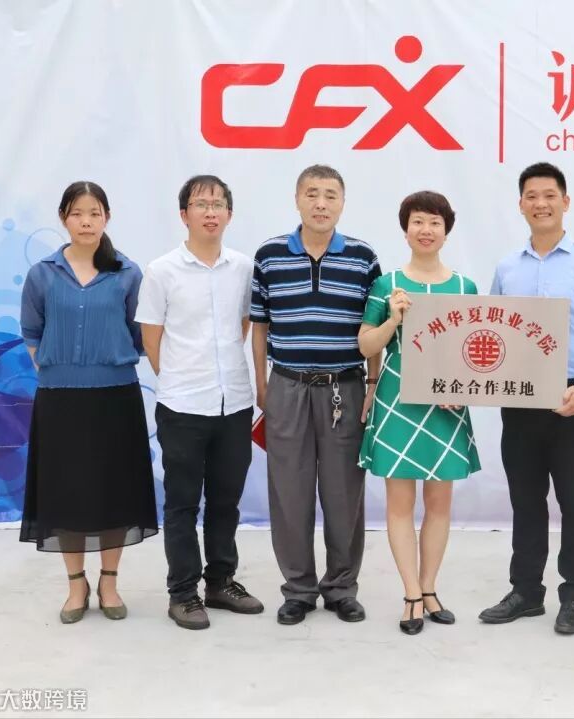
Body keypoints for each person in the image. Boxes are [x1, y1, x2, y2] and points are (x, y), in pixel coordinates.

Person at [479, 162, 574, 635]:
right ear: (521, 204)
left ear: (566, 202)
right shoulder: (506, 268)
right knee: (526, 501)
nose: (541, 203)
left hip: (571, 398)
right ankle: (526, 592)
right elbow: (491, 332)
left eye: (550, 195)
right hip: (519, 399)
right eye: (532, 196)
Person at [19, 181, 158, 623]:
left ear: (107, 218)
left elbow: (139, 335)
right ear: (64, 218)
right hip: (59, 401)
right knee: (67, 495)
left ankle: (110, 583)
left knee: (115, 492)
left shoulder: (127, 273)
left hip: (116, 398)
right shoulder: (42, 273)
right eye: (77, 213)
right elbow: (32, 333)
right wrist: (58, 368)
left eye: (94, 213)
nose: (86, 221)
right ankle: (76, 584)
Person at [251, 164, 382, 626]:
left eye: (330, 195)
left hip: (344, 387)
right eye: (312, 193)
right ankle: (299, 590)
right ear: (297, 199)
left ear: (342, 203)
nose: (320, 203)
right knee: (289, 492)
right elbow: (260, 325)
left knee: (344, 493)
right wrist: (262, 385)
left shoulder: (363, 258)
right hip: (287, 386)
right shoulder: (270, 256)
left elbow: (372, 328)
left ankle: (341, 588)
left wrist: (372, 385)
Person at [136, 175, 262, 631]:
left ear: (230, 213)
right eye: (200, 204)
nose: (210, 212)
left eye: (218, 204)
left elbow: (243, 325)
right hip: (182, 406)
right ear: (183, 214)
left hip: (234, 402)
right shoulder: (162, 271)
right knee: (183, 503)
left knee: (226, 501)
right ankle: (183, 593)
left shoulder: (243, 268)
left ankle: (221, 582)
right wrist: (180, 377)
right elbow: (152, 338)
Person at [358, 191, 481, 635]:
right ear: (405, 229)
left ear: (446, 231)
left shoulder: (465, 288)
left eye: (434, 222)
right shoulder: (387, 283)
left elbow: (475, 351)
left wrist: (461, 389)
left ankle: (430, 588)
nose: (425, 230)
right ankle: (410, 592)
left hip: (446, 408)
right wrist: (393, 320)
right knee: (399, 503)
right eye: (417, 222)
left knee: (439, 502)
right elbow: (365, 344)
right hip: (397, 402)